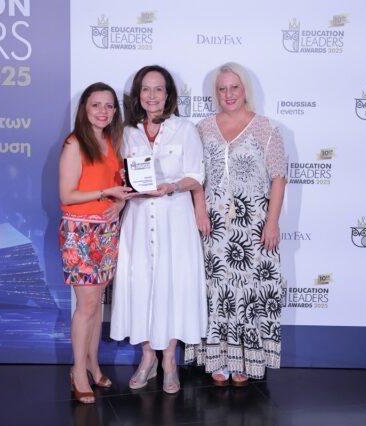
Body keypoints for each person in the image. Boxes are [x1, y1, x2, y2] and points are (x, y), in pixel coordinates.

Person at [185, 62, 287, 386]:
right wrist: (200, 211)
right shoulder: (202, 129)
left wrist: (272, 223)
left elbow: (279, 178)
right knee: (216, 292)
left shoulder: (266, 129)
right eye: (222, 89)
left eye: (234, 87)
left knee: (249, 292)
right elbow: (195, 177)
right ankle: (218, 358)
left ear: (245, 90)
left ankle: (245, 359)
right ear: (216, 93)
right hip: (213, 227)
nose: (228, 94)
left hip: (254, 228)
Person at [110, 65, 207, 394]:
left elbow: (197, 176)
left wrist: (173, 186)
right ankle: (147, 358)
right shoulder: (127, 133)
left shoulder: (185, 129)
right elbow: (120, 176)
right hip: (138, 221)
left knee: (172, 286)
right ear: (138, 95)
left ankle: (169, 361)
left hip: (174, 220)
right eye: (146, 89)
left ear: (169, 95)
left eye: (159, 89)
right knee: (141, 286)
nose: (152, 96)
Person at [59, 82, 132, 404]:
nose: (103, 111)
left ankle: (92, 364)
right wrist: (106, 193)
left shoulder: (113, 143)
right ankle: (78, 372)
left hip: (107, 233)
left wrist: (120, 201)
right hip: (81, 233)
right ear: (84, 109)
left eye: (109, 106)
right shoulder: (75, 143)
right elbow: (67, 195)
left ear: (115, 111)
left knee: (96, 304)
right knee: (86, 306)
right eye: (96, 105)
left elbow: (118, 188)